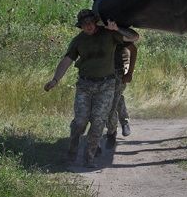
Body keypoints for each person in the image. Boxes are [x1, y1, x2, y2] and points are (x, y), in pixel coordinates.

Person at [44, 9, 139, 168]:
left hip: (106, 86)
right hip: (85, 86)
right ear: (80, 26)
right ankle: (72, 151)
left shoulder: (109, 34)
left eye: (89, 23)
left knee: (98, 122)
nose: (87, 26)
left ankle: (89, 157)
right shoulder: (78, 41)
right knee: (80, 121)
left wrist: (117, 29)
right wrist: (55, 79)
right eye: (83, 24)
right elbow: (67, 60)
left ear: (95, 22)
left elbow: (134, 37)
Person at [105, 42, 137, 147]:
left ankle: (112, 132)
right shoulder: (94, 33)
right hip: (102, 74)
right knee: (115, 99)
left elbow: (133, 48)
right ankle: (122, 123)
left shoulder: (118, 34)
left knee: (113, 101)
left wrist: (129, 73)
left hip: (118, 72)